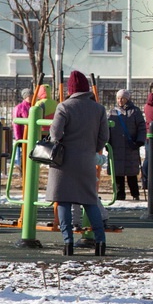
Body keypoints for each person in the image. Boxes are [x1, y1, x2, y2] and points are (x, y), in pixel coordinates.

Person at [47, 70, 109, 256]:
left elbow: (55, 135)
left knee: (64, 200)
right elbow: (103, 137)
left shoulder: (64, 107)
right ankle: (100, 242)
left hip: (64, 162)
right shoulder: (98, 109)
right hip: (87, 160)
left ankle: (68, 244)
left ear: (70, 89)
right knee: (89, 200)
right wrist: (91, 149)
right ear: (86, 88)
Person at [108, 89, 146, 201]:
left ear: (127, 99)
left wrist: (139, 141)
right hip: (116, 146)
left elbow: (141, 127)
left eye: (122, 98)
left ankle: (135, 194)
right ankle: (120, 195)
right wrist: (107, 142)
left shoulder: (135, 111)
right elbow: (107, 128)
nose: (120, 100)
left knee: (131, 173)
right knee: (118, 173)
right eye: (118, 98)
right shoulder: (112, 112)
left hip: (131, 146)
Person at [12, 88, 32, 163]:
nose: (32, 97)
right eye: (29, 95)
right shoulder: (19, 108)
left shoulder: (34, 107)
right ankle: (22, 169)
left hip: (31, 135)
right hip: (23, 135)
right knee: (22, 155)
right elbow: (16, 124)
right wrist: (18, 138)